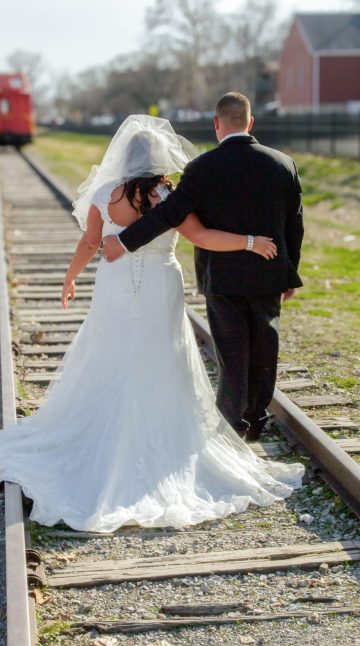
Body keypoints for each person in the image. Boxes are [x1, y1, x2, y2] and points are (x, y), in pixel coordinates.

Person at [0, 115, 303, 532]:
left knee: (111, 352)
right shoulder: (167, 195)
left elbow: (91, 242)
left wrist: (70, 276)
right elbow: (203, 237)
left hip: (115, 286)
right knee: (162, 356)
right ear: (160, 156)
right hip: (161, 284)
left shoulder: (105, 193)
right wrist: (249, 242)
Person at [103, 93, 304, 442]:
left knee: (231, 350)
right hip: (268, 270)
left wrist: (124, 241)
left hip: (222, 275)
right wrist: (290, 273)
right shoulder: (283, 163)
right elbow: (294, 225)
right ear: (250, 122)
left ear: (216, 123)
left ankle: (231, 423)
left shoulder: (202, 168)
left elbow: (171, 213)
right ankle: (256, 418)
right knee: (264, 345)